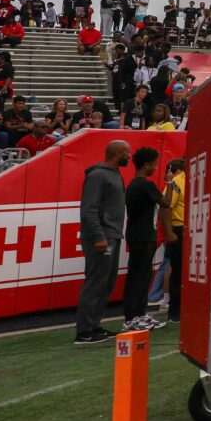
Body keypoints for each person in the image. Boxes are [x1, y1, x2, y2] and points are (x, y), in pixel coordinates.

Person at [75, 140, 130, 345]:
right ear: (117, 153)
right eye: (127, 153)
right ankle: (84, 331)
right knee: (95, 282)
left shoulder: (114, 174)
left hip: (112, 235)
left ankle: (94, 325)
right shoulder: (98, 175)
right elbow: (89, 209)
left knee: (106, 283)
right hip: (102, 237)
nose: (129, 157)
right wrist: (99, 236)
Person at [122, 148, 167, 332]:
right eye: (154, 164)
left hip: (138, 234)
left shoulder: (134, 184)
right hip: (143, 235)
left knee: (142, 276)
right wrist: (172, 183)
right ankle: (132, 318)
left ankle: (139, 315)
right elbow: (166, 202)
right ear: (146, 165)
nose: (156, 168)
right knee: (138, 277)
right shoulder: (144, 185)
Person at [162, 158, 187, 322]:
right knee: (177, 270)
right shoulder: (177, 181)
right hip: (179, 228)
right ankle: (174, 311)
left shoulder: (202, 177)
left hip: (196, 228)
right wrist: (169, 232)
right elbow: (166, 207)